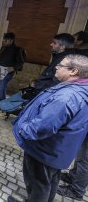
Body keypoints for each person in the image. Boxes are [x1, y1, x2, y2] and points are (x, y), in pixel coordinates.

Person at [9, 54, 88, 202]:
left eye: (61, 65)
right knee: (49, 182)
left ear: (73, 71)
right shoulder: (80, 88)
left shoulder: (67, 97)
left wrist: (23, 129)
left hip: (44, 150)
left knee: (37, 184)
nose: (56, 67)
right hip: (57, 150)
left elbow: (43, 126)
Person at [0, 32, 23, 107]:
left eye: (6, 40)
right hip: (0, 70)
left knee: (2, 86)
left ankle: (2, 104)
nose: (3, 41)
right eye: (3, 39)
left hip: (8, 72)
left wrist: (14, 68)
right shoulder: (3, 48)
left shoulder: (17, 50)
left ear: (11, 40)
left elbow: (20, 62)